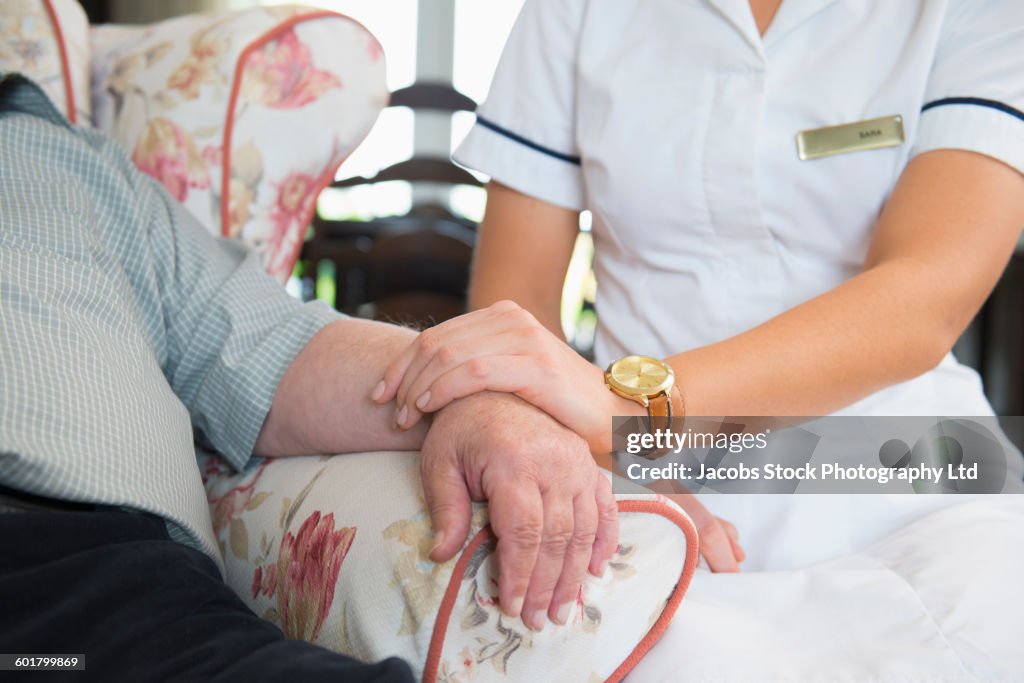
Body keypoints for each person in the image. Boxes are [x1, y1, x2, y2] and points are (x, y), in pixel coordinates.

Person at [0, 71, 620, 682]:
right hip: (664, 430)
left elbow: (269, 344)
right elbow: (527, 306)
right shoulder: (571, 25)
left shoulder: (60, 164)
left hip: (96, 600)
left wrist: (582, 428)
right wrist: (632, 439)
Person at [372, 0, 1024, 572]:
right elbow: (516, 304)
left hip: (906, 477)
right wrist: (599, 460)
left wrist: (627, 415)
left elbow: (923, 298)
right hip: (637, 479)